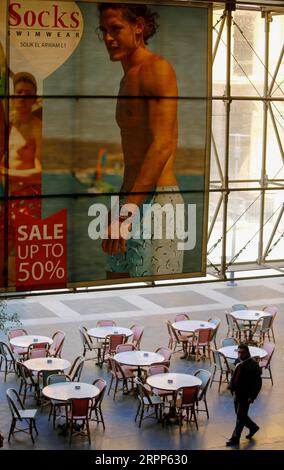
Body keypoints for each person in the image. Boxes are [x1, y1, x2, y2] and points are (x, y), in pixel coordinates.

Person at [98, 3, 184, 279]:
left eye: (116, 29)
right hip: (129, 198)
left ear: (138, 27)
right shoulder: (127, 79)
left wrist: (125, 213)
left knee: (153, 301)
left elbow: (162, 146)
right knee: (114, 290)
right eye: (104, 30)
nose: (108, 38)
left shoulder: (156, 69)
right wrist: (121, 208)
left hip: (156, 201)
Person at [0, 72, 42, 283]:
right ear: (13, 96)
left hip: (29, 202)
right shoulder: (9, 126)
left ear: (35, 98)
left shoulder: (37, 128)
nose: (23, 98)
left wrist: (6, 174)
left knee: (26, 260)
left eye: (28, 94)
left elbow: (40, 173)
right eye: (19, 93)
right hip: (8, 200)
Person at [226, 343, 262, 446]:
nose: (240, 354)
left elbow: (258, 384)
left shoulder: (253, 365)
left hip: (245, 396)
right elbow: (235, 374)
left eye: (242, 352)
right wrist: (231, 385)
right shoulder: (238, 361)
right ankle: (253, 427)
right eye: (239, 352)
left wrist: (252, 396)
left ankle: (234, 439)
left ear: (247, 352)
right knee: (240, 415)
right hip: (237, 393)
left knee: (240, 418)